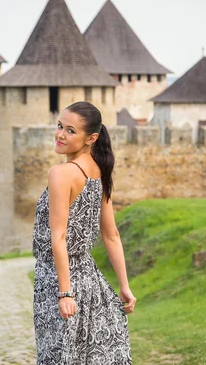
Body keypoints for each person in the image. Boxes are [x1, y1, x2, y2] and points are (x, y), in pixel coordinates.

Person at [32, 101, 136, 364]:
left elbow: (59, 238)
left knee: (60, 356)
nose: (60, 135)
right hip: (90, 280)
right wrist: (124, 286)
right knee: (86, 356)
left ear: (91, 138)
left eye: (70, 131)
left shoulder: (60, 174)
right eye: (59, 127)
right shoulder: (99, 172)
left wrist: (65, 293)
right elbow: (111, 235)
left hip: (57, 279)